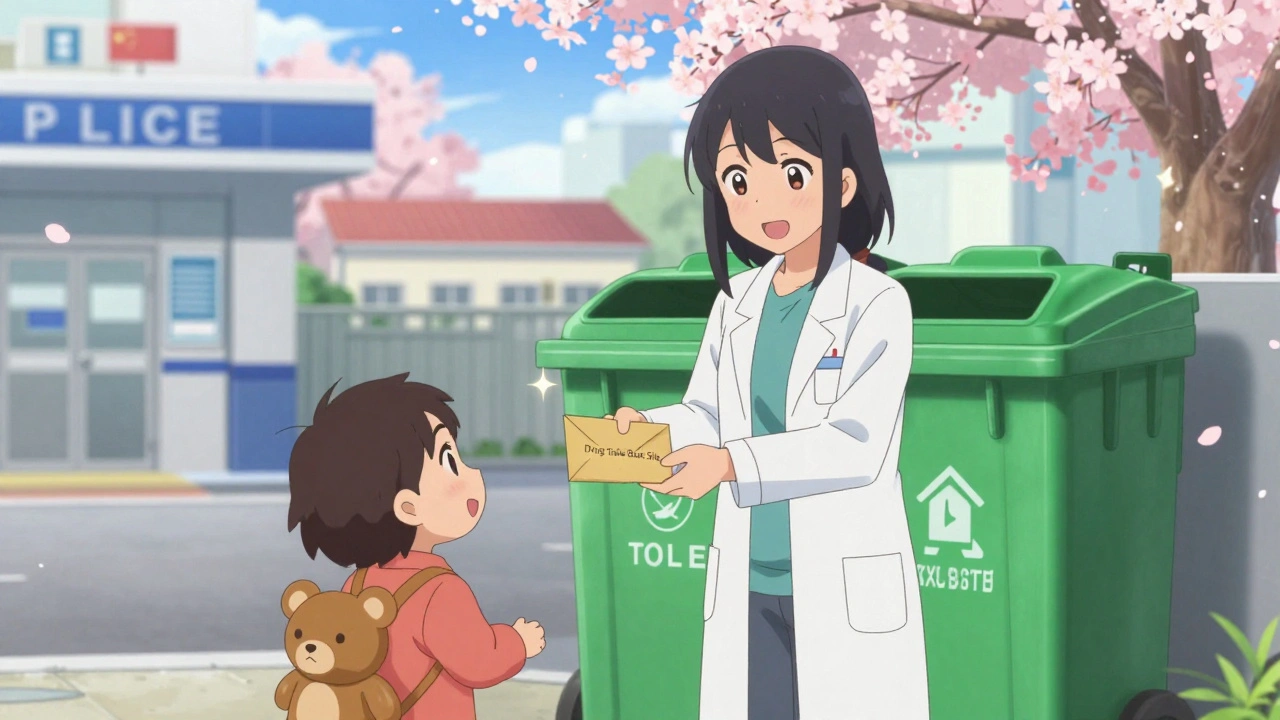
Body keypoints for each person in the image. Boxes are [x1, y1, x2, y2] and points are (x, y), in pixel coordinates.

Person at [608, 46, 929, 720]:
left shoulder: (877, 303)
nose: (763, 201)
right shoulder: (736, 303)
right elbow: (706, 407)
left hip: (839, 577)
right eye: (736, 179)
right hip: (750, 574)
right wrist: (653, 432)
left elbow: (853, 444)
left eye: (790, 170)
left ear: (842, 182)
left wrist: (726, 464)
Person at [287, 373, 545, 720]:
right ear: (408, 507)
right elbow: (478, 662)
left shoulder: (359, 584)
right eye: (450, 462)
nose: (472, 473)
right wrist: (518, 642)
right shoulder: (440, 592)